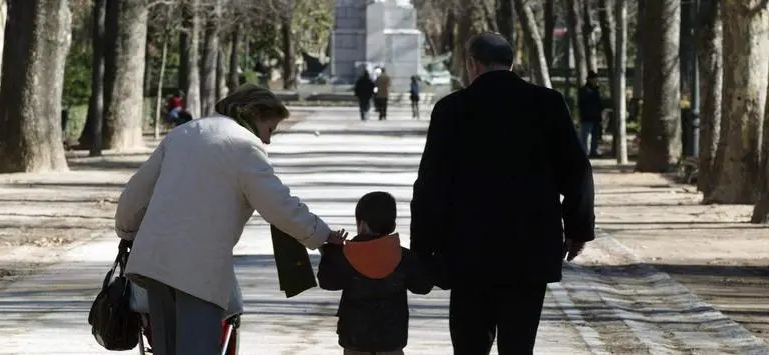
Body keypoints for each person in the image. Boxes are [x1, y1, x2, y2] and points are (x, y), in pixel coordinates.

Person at [114, 84, 346, 355]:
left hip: (154, 263)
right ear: (255, 115)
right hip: (198, 271)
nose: (268, 140)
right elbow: (279, 205)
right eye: (270, 129)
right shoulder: (244, 147)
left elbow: (136, 193)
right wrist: (322, 235)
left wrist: (126, 229)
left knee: (165, 349)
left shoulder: (183, 133)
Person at [410, 32, 595, 354]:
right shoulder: (547, 103)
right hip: (530, 248)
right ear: (512, 62)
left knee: (469, 346)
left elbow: (430, 185)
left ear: (472, 64)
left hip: (468, 250)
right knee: (519, 345)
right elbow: (577, 171)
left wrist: (423, 250)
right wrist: (578, 229)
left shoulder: (452, 109)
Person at [318, 191, 433, 355]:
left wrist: (333, 250)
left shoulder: (347, 255)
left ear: (362, 225)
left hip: (355, 340)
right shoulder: (403, 257)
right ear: (392, 225)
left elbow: (328, 282)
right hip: (392, 340)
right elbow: (422, 286)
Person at [578, 71, 603, 157]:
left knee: (595, 136)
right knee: (585, 136)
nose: (595, 81)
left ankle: (593, 152)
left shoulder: (597, 91)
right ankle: (584, 152)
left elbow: (599, 104)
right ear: (589, 80)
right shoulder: (583, 91)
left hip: (596, 117)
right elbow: (581, 103)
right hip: (587, 117)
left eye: (596, 79)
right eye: (594, 79)